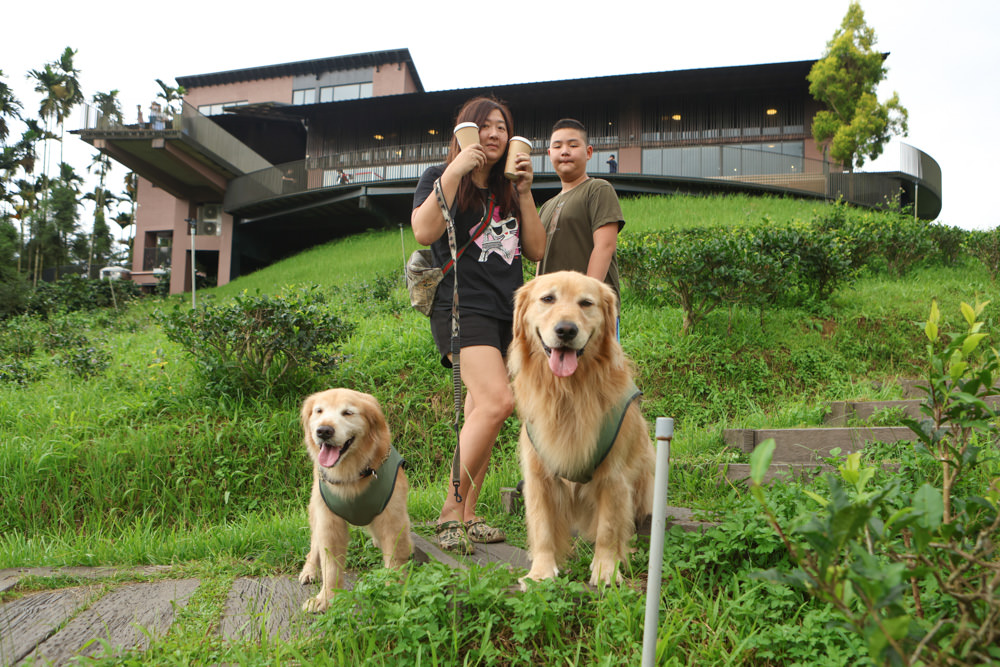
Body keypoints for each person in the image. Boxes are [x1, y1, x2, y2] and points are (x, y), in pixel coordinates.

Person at [411, 96, 545, 553]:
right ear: (465, 131)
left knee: (478, 413)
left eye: (501, 128)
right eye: (484, 126)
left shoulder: (509, 190)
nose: (494, 134)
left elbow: (535, 250)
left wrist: (525, 192)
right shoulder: (438, 177)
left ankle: (468, 513)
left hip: (507, 312)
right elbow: (424, 231)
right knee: (497, 402)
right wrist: (454, 170)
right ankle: (450, 513)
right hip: (459, 308)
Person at [538, 119, 625, 306]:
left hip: (592, 310)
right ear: (549, 153)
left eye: (573, 145)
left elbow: (605, 246)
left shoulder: (598, 189)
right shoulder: (546, 206)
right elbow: (540, 260)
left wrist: (585, 298)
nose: (565, 151)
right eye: (557, 146)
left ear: (588, 152)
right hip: (553, 315)